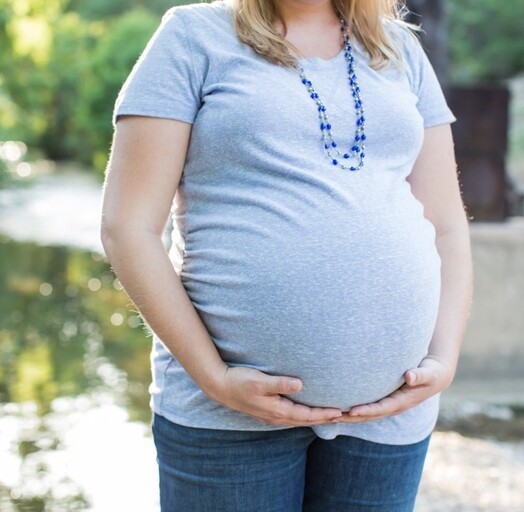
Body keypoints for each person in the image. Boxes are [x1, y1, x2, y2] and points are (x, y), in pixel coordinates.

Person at [100, 0, 473, 510]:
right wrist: (215, 378)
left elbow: (448, 227)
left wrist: (445, 358)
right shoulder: (193, 36)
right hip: (228, 418)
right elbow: (129, 227)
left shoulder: (399, 47)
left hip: (389, 419)